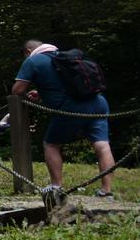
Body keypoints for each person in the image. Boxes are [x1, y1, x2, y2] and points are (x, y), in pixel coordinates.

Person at [11, 39, 117, 199]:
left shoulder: (33, 60)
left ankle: (56, 187)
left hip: (71, 108)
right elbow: (68, 83)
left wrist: (26, 94)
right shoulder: (64, 57)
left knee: (51, 144)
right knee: (102, 145)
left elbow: (17, 90)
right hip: (98, 103)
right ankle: (106, 191)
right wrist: (41, 93)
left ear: (28, 51)